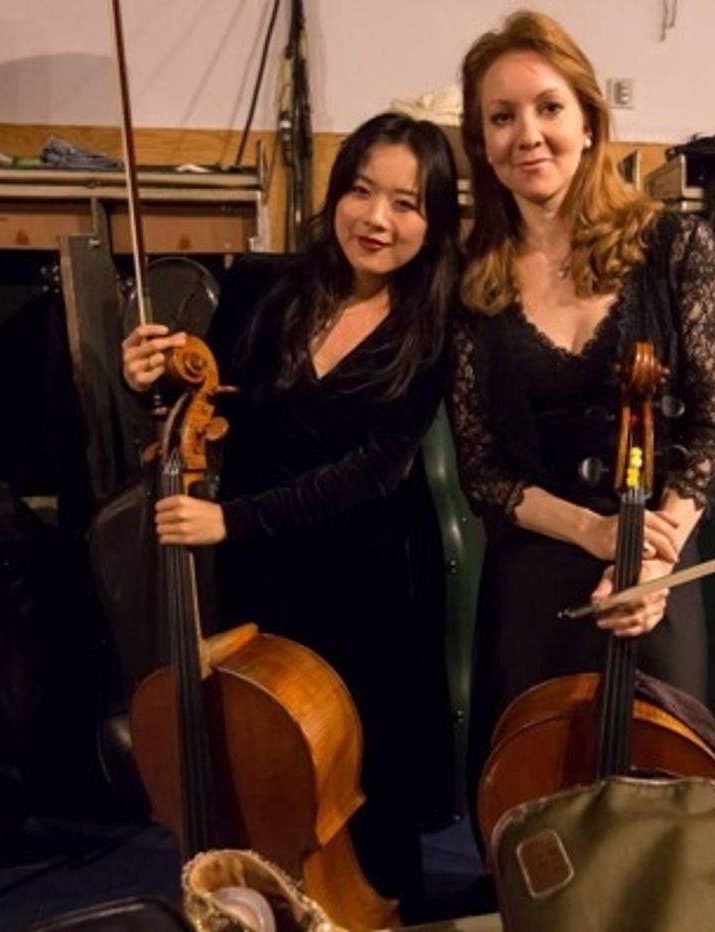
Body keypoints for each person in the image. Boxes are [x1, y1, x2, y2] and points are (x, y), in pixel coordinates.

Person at [119, 111, 460, 911]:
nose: (378, 219)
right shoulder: (259, 287)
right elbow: (199, 399)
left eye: (407, 203)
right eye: (362, 191)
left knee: (362, 785)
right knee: (260, 768)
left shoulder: (438, 321)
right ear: (335, 194)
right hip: (262, 576)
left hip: (370, 581)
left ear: (434, 220)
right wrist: (149, 382)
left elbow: (376, 469)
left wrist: (233, 521)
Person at [450, 11, 715, 805]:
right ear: (482, 142)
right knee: (530, 799)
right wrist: (593, 530)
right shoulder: (475, 281)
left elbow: (714, 424)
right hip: (537, 566)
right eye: (501, 118)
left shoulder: (676, 248)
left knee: (667, 792)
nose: (527, 135)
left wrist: (656, 548)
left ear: (588, 120)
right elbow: (482, 468)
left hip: (658, 565)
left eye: (547, 108)